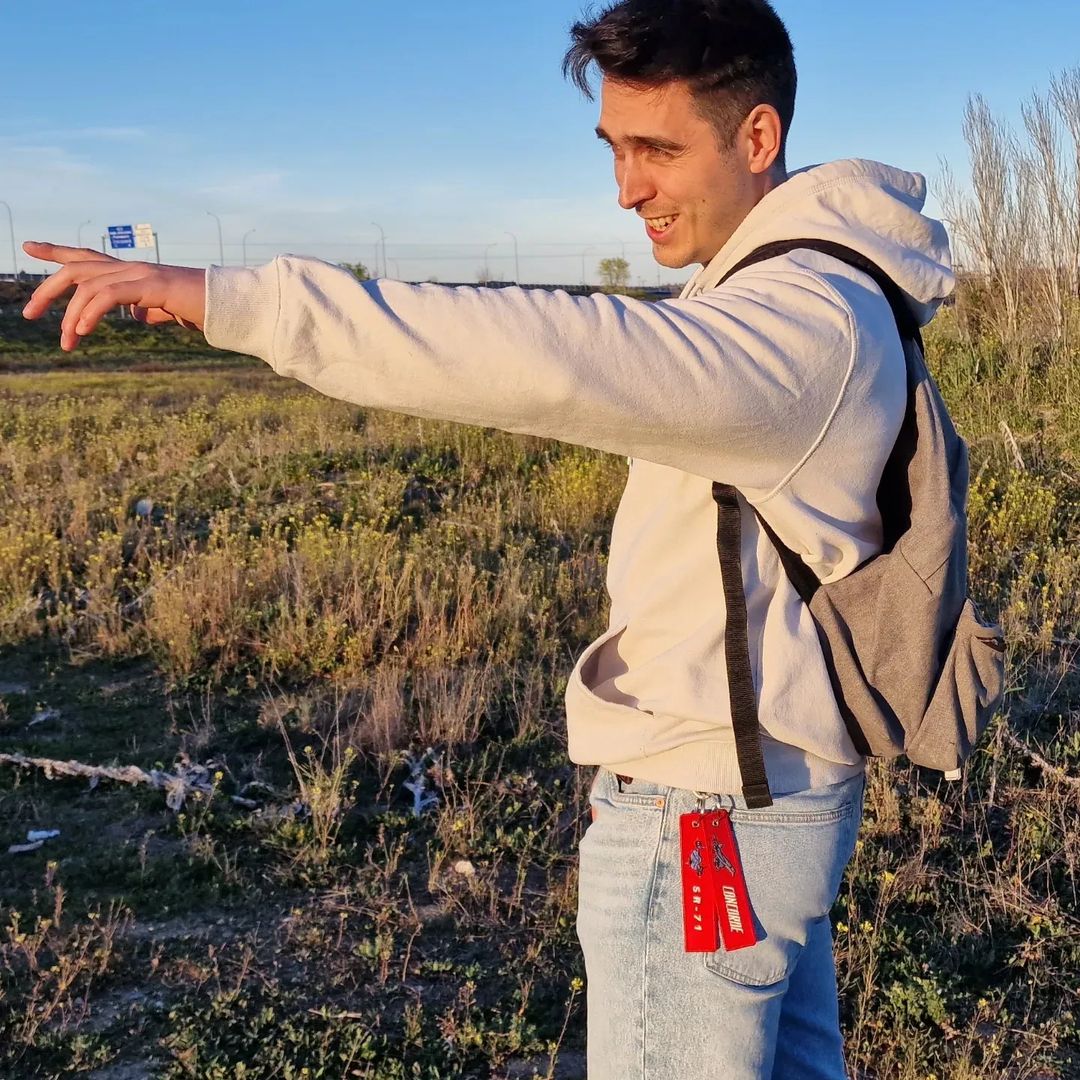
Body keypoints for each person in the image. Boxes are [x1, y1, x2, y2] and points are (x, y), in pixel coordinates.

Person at [22, 1, 957, 1075]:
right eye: (613, 149)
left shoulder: (799, 323)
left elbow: (548, 351)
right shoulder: (794, 292)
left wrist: (244, 302)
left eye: (657, 149)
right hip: (762, 797)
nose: (626, 188)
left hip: (708, 811)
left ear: (757, 137)